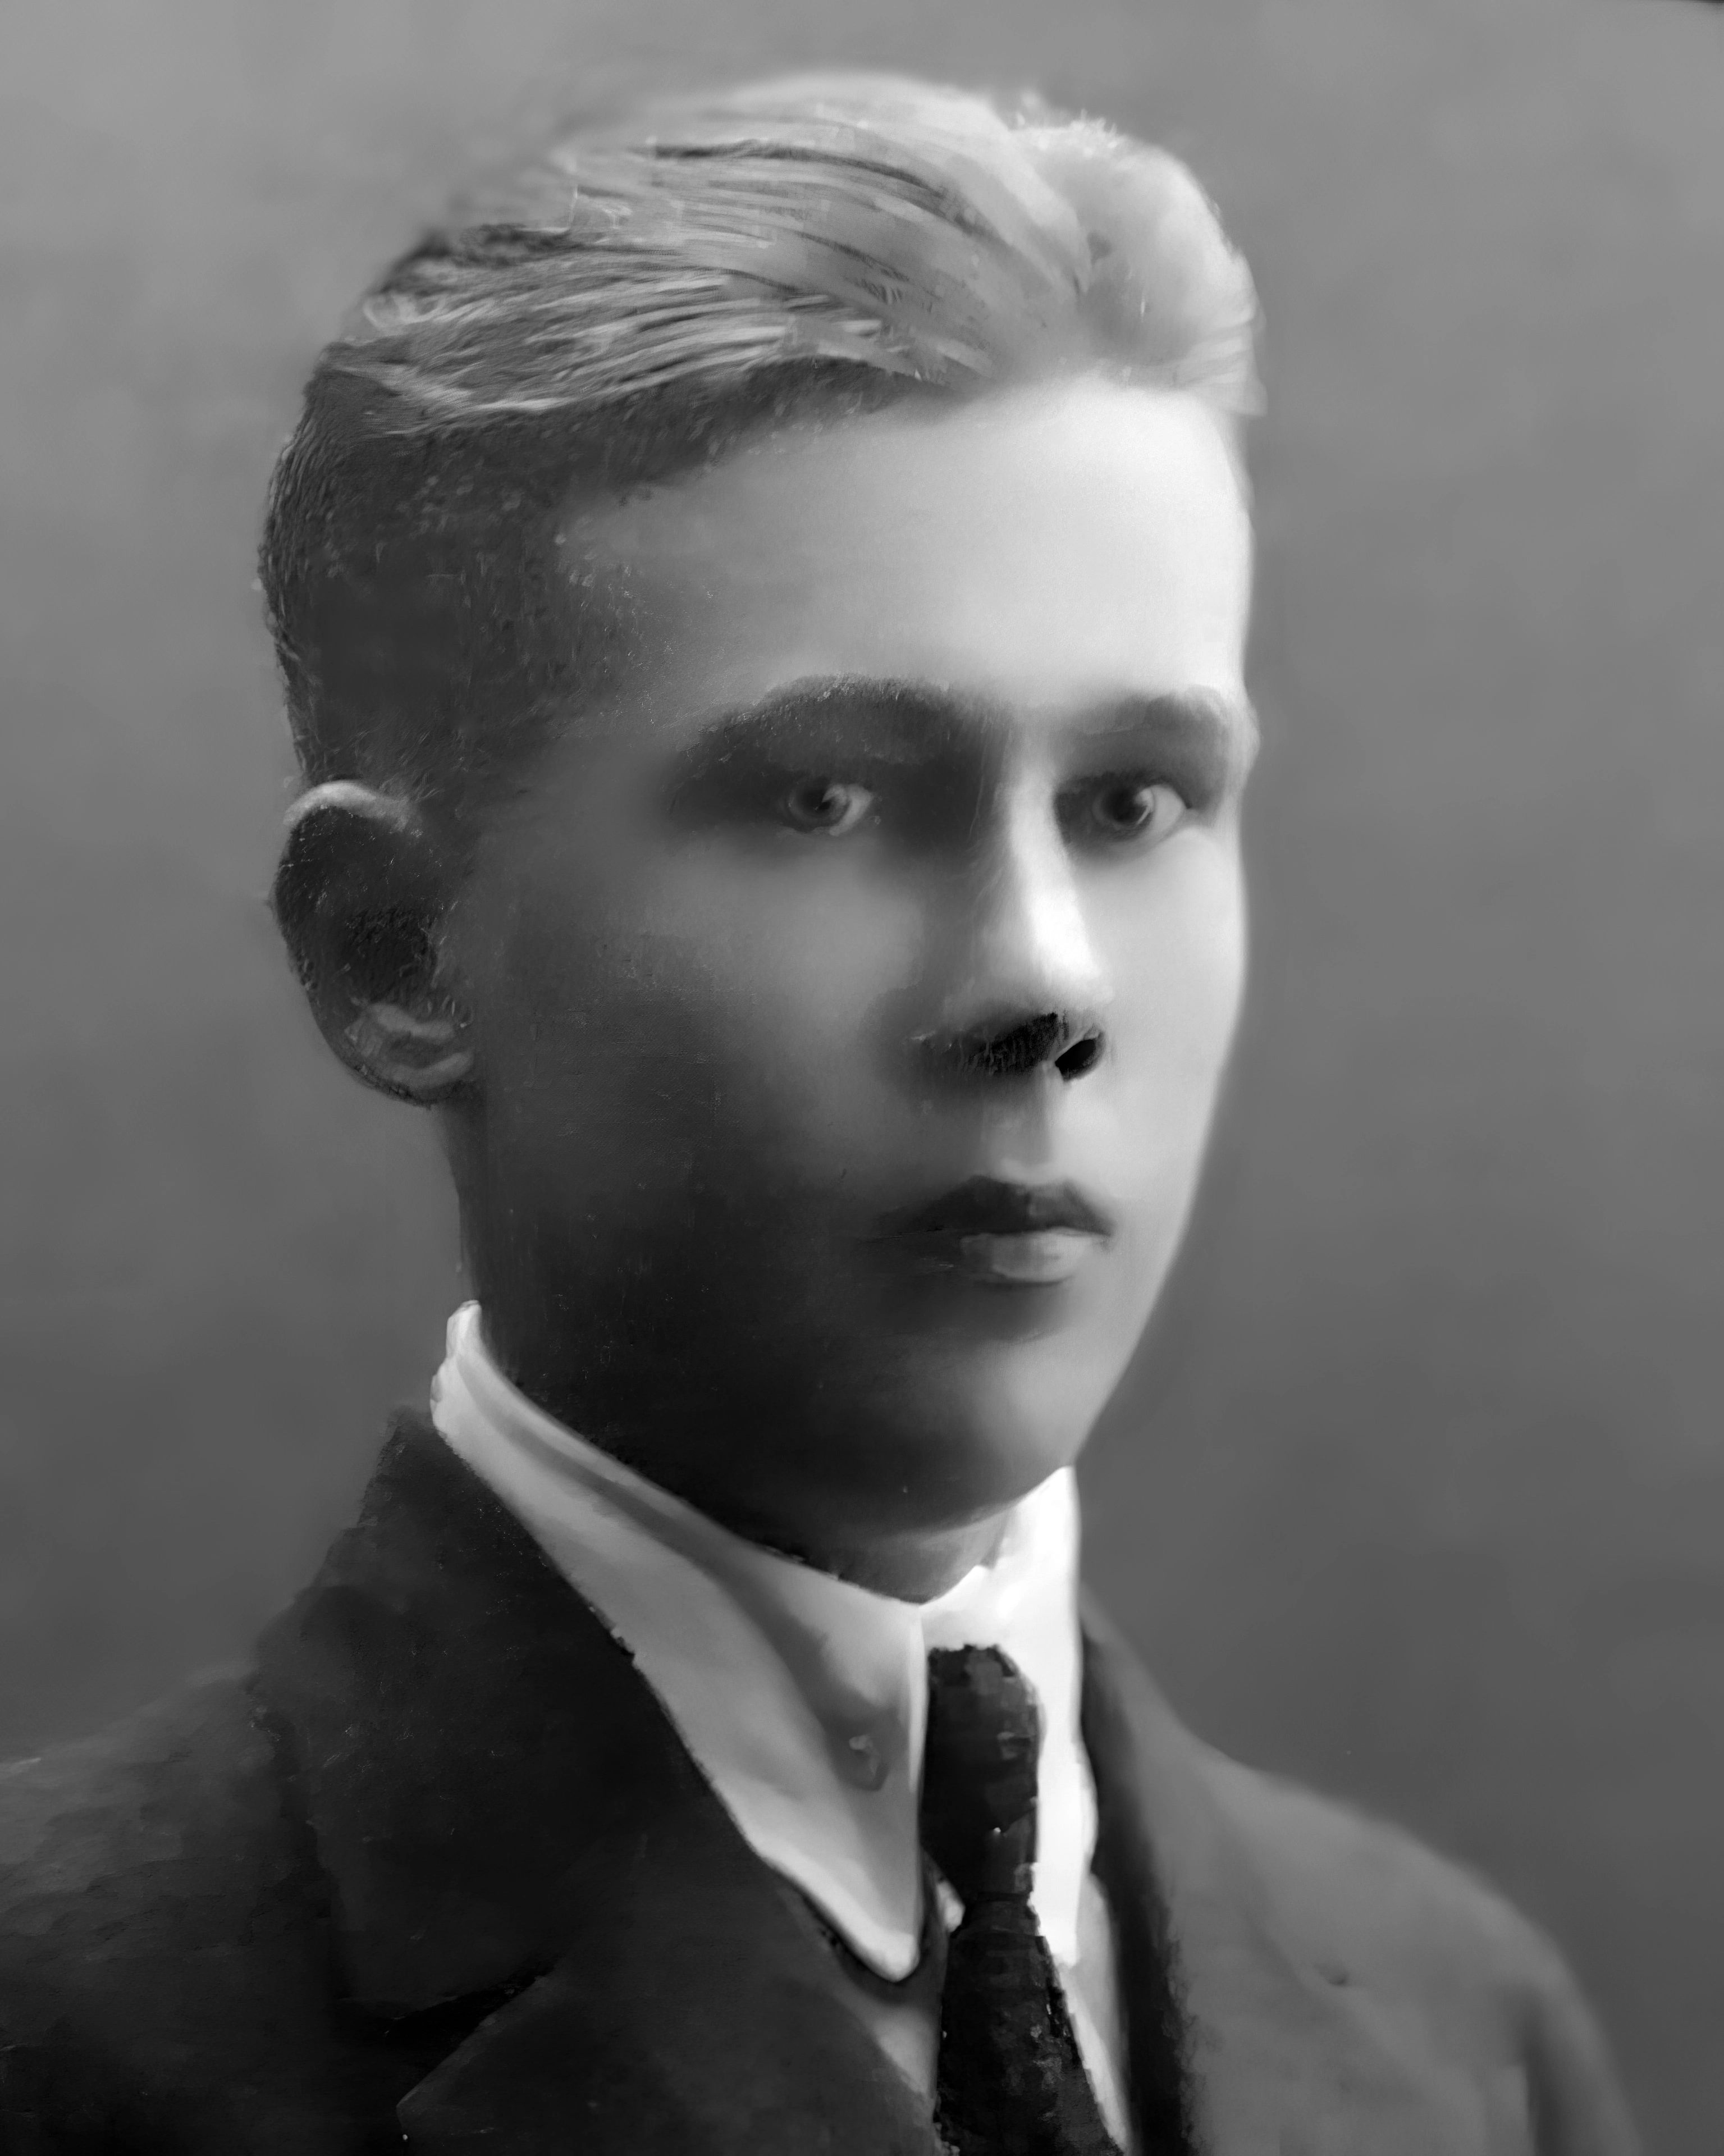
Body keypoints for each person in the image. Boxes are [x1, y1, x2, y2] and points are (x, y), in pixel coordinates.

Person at [0, 72, 1640, 2156]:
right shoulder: (61, 2035)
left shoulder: (1457, 2029)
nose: (1045, 980)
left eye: (1134, 800)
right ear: (400, 950)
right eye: (829, 798)